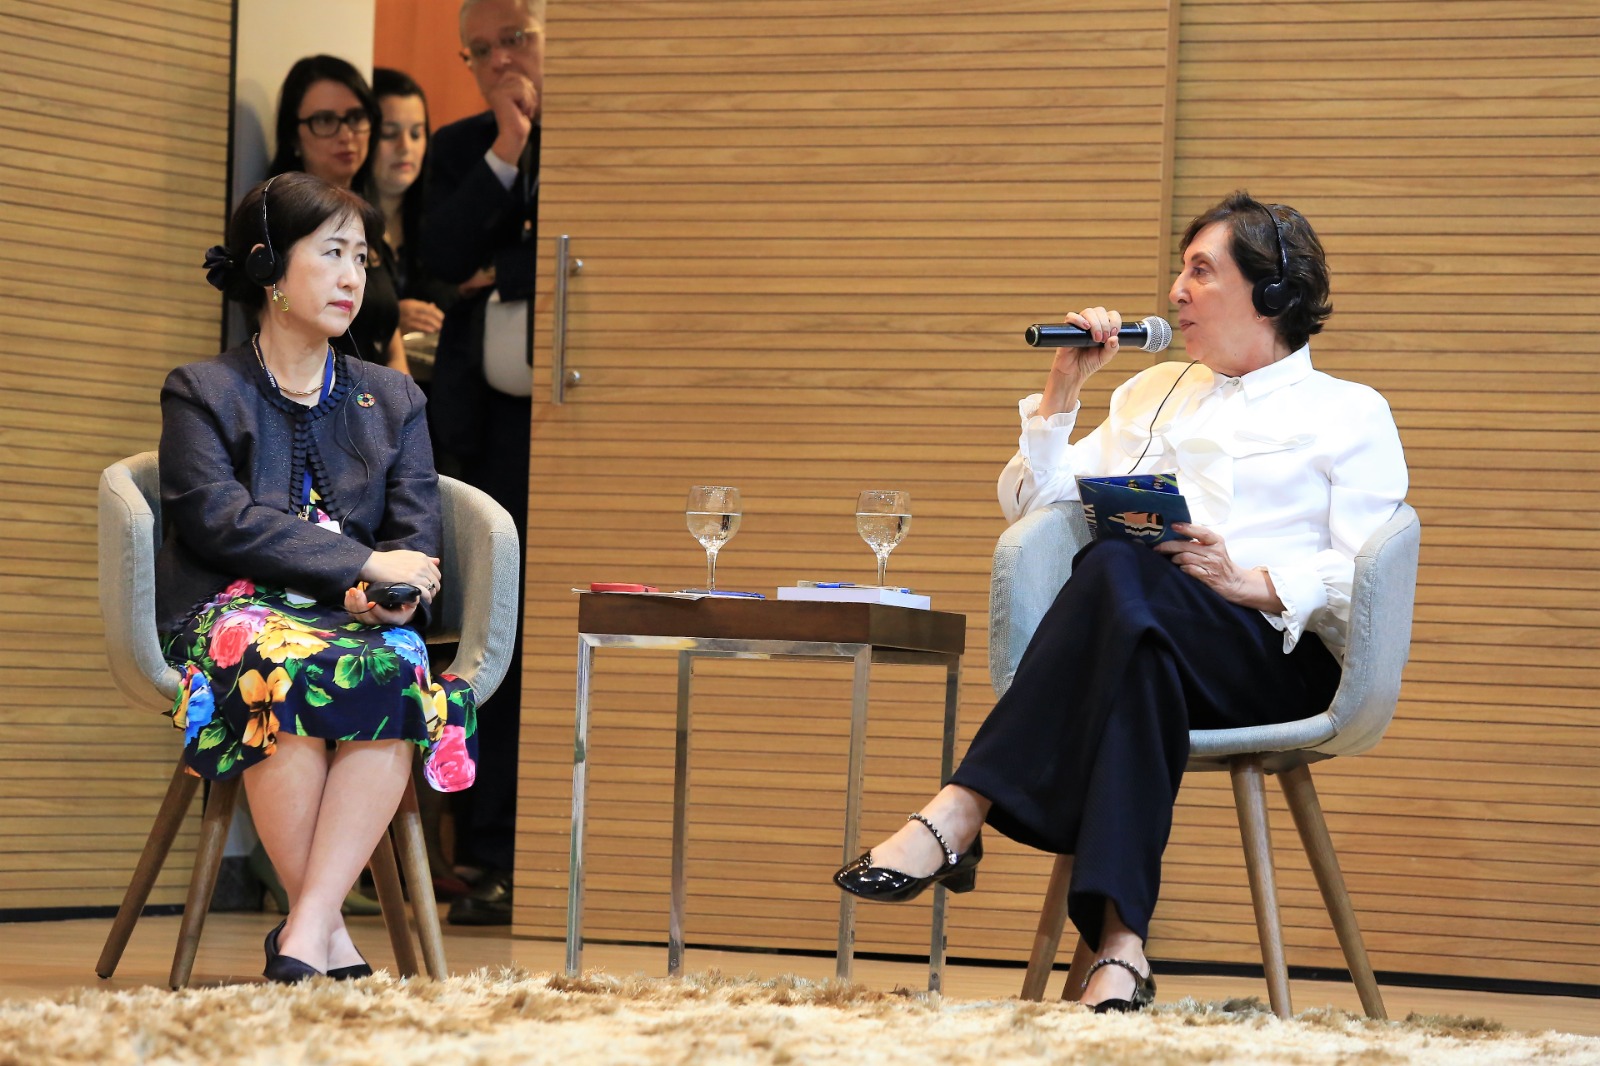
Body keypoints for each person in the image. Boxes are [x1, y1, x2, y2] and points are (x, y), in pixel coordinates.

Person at [832, 192, 1408, 1012]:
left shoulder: (1350, 412)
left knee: (1114, 568)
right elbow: (1034, 506)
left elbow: (1365, 571)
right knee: (1137, 646)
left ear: (1271, 293)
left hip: (1273, 658)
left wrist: (1252, 582)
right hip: (1154, 638)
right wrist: (1063, 390)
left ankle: (963, 806)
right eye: (1180, 270)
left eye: (1200, 271)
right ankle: (1121, 948)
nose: (1175, 291)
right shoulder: (1154, 391)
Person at [163, 172, 479, 982]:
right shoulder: (202, 391)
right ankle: (326, 936)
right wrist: (362, 562)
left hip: (351, 617)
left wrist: (390, 593)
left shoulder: (394, 398)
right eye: (332, 253)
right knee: (277, 657)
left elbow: (415, 535)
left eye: (362, 259)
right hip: (232, 612)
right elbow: (219, 521)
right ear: (269, 267)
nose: (352, 277)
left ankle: (304, 933)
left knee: (398, 665)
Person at [420, 0, 544, 926]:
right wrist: (507, 150)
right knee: (491, 627)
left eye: (517, 38)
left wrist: (503, 272)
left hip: (585, 420)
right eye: (481, 50)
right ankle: (488, 854)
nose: (501, 59)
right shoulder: (462, 147)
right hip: (484, 427)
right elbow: (437, 258)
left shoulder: (603, 133)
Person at [270, 55, 408, 375]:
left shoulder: (368, 220)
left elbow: (390, 342)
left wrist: (401, 398)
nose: (345, 134)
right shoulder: (281, 220)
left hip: (375, 396)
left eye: (356, 117)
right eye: (324, 120)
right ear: (294, 136)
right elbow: (278, 314)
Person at [371, 68, 460, 341]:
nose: (405, 147)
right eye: (389, 134)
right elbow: (285, 304)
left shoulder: (440, 214)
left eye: (416, 134)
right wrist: (387, 318)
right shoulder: (341, 221)